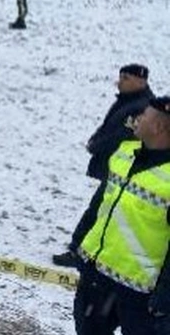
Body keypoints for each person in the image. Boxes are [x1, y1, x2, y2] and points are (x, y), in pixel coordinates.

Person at [69, 95, 170, 335]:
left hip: (141, 295)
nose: (136, 119)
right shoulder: (126, 152)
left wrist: (165, 297)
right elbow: (99, 203)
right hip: (97, 277)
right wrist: (78, 242)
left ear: (158, 127)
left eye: (143, 115)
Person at [53, 64, 156, 268]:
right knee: (100, 207)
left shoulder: (141, 107)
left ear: (141, 81)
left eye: (126, 78)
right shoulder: (130, 102)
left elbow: (121, 136)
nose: (120, 82)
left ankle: (78, 250)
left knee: (99, 208)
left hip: (122, 168)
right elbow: (111, 127)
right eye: (120, 77)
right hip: (118, 166)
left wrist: (97, 145)